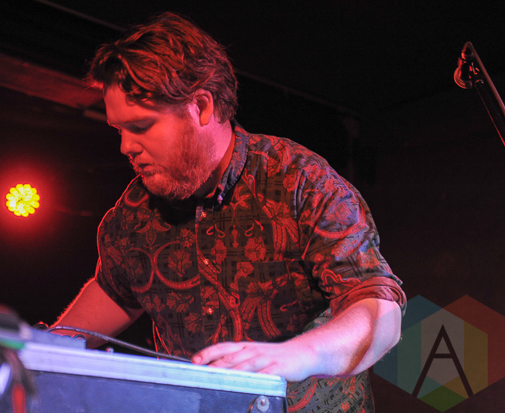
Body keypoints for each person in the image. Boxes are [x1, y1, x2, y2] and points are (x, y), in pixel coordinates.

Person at [53, 12, 406, 412]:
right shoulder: (134, 211)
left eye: (141, 126)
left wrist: (295, 355)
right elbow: (115, 291)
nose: (125, 147)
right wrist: (47, 348)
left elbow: (381, 313)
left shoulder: (299, 181)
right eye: (119, 130)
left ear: (201, 106)